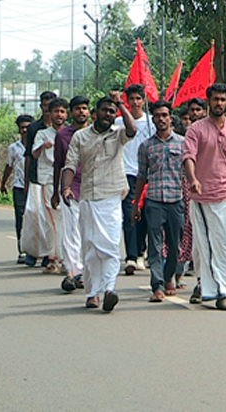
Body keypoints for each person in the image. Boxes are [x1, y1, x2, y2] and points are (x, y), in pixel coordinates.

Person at [62, 92, 137, 312]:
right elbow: (70, 164)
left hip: (112, 197)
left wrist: (121, 104)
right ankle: (92, 293)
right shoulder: (80, 137)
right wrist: (65, 188)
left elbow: (133, 130)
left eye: (112, 112)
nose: (108, 114)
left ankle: (109, 290)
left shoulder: (119, 135)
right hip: (87, 198)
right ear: (95, 113)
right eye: (104, 110)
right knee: (90, 247)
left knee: (110, 246)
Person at [183, 83, 226, 311]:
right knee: (205, 244)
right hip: (202, 196)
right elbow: (188, 156)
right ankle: (212, 291)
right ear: (208, 101)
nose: (219, 103)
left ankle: (222, 291)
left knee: (225, 243)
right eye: (215, 99)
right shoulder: (196, 130)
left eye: (223, 99)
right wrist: (193, 179)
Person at [131, 100, 185, 303]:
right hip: (153, 201)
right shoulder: (145, 146)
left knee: (175, 245)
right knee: (154, 245)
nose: (161, 119)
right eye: (158, 116)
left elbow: (189, 173)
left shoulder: (182, 143)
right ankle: (158, 285)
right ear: (153, 119)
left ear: (171, 118)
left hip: (176, 200)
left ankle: (169, 275)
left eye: (165, 115)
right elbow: (141, 176)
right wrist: (136, 204)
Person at [117, 84, 155, 275]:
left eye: (138, 98)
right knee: (130, 214)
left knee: (147, 217)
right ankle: (131, 256)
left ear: (143, 100)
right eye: (131, 99)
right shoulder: (119, 121)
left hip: (148, 175)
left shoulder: (151, 123)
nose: (135, 102)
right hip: (127, 174)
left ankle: (141, 251)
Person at [53, 96, 90, 293]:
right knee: (70, 232)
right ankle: (71, 271)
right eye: (77, 109)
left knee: (87, 233)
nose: (81, 112)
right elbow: (58, 165)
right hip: (70, 190)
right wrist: (55, 191)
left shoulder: (96, 134)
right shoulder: (62, 136)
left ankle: (84, 272)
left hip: (92, 190)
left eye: (84, 108)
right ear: (71, 112)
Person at [27, 98, 68, 274]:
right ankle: (53, 258)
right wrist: (43, 147)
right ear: (49, 114)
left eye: (62, 111)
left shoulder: (71, 133)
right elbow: (33, 154)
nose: (59, 115)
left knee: (68, 220)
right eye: (56, 111)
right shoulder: (43, 134)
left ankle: (66, 258)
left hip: (68, 181)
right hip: (49, 180)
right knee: (52, 220)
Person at [23, 90, 57, 268]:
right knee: (34, 215)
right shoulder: (35, 128)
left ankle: (49, 253)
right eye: (45, 106)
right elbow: (29, 154)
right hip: (38, 177)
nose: (47, 110)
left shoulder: (65, 129)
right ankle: (32, 251)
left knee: (52, 217)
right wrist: (28, 180)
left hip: (57, 178)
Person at [1, 114, 34, 264]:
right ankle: (22, 250)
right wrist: (3, 183)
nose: (25, 130)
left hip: (35, 186)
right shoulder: (14, 148)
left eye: (28, 127)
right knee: (21, 219)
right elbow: (9, 166)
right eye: (22, 128)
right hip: (19, 187)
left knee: (35, 218)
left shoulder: (37, 145)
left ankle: (36, 250)